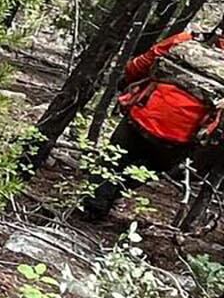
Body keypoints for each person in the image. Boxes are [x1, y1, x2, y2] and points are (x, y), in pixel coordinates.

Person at [82, 26, 224, 222]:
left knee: (112, 161)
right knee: (151, 169)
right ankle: (102, 201)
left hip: (140, 116)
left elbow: (142, 63)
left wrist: (127, 82)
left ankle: (93, 203)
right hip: (178, 139)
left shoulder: (188, 39)